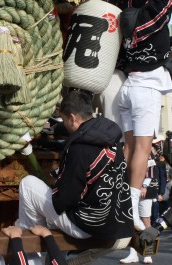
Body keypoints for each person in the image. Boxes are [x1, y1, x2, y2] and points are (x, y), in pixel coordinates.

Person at [110, 0, 172, 233]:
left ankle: (119, 199)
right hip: (145, 89)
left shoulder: (127, 23)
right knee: (142, 149)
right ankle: (131, 208)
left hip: (126, 88)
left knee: (127, 148)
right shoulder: (151, 19)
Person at [16, 89, 132, 241]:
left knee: (28, 184)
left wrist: (56, 185)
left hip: (86, 225)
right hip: (114, 222)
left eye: (64, 121)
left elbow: (62, 201)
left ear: (72, 118)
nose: (65, 125)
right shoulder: (112, 138)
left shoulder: (80, 148)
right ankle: (54, 261)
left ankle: (30, 246)